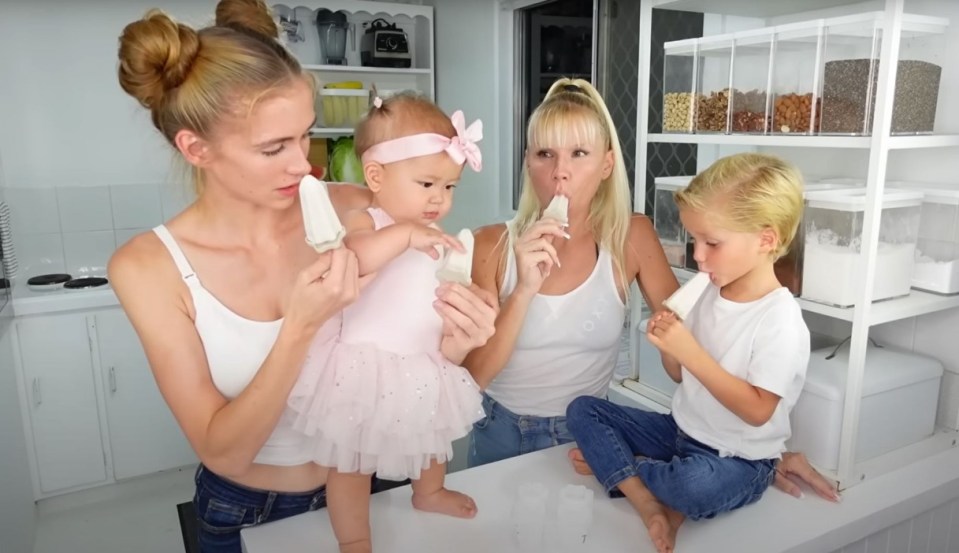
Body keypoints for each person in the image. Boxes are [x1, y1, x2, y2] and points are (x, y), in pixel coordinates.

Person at [109, 3, 496, 552]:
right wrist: (299, 327)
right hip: (249, 510)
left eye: (304, 135)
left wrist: (456, 343)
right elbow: (224, 451)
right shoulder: (148, 267)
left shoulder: (357, 205)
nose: (304, 164)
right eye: (274, 148)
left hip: (376, 482)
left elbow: (407, 331)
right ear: (197, 148)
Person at [463, 78, 840, 500]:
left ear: (606, 165)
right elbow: (472, 378)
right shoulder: (489, 245)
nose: (560, 171)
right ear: (528, 161)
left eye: (579, 153)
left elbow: (684, 362)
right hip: (496, 431)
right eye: (544, 153)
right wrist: (523, 291)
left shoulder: (633, 237)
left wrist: (760, 458)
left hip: (582, 442)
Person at [566, 153, 813, 553]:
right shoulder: (708, 294)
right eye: (694, 240)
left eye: (712, 243)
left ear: (766, 240)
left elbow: (758, 410)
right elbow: (680, 375)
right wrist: (669, 344)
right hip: (681, 431)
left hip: (739, 459)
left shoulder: (779, 319)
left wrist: (690, 351)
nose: (698, 255)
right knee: (583, 410)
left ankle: (625, 472)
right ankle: (648, 497)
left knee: (692, 487)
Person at [286, 94, 488, 550]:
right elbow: (354, 258)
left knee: (431, 438)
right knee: (351, 462)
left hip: (423, 358)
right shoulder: (368, 220)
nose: (439, 198)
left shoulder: (436, 236)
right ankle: (354, 537)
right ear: (376, 176)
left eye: (450, 187)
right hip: (362, 366)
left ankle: (428, 491)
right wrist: (406, 234)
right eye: (427, 183)